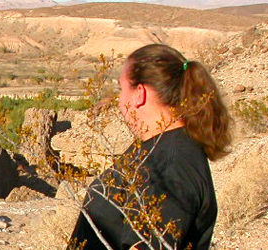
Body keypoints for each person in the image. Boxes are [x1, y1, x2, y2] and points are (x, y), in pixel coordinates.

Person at [68, 44, 232, 250]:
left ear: (139, 93)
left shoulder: (170, 164)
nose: (119, 100)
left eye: (122, 89)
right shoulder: (158, 149)